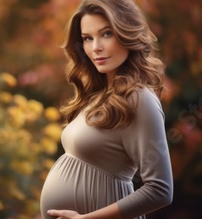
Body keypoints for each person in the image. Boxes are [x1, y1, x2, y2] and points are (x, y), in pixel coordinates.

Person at [39, 0, 173, 218]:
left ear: (127, 33)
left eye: (107, 34)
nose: (95, 47)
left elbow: (160, 190)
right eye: (87, 39)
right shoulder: (97, 96)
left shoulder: (139, 98)